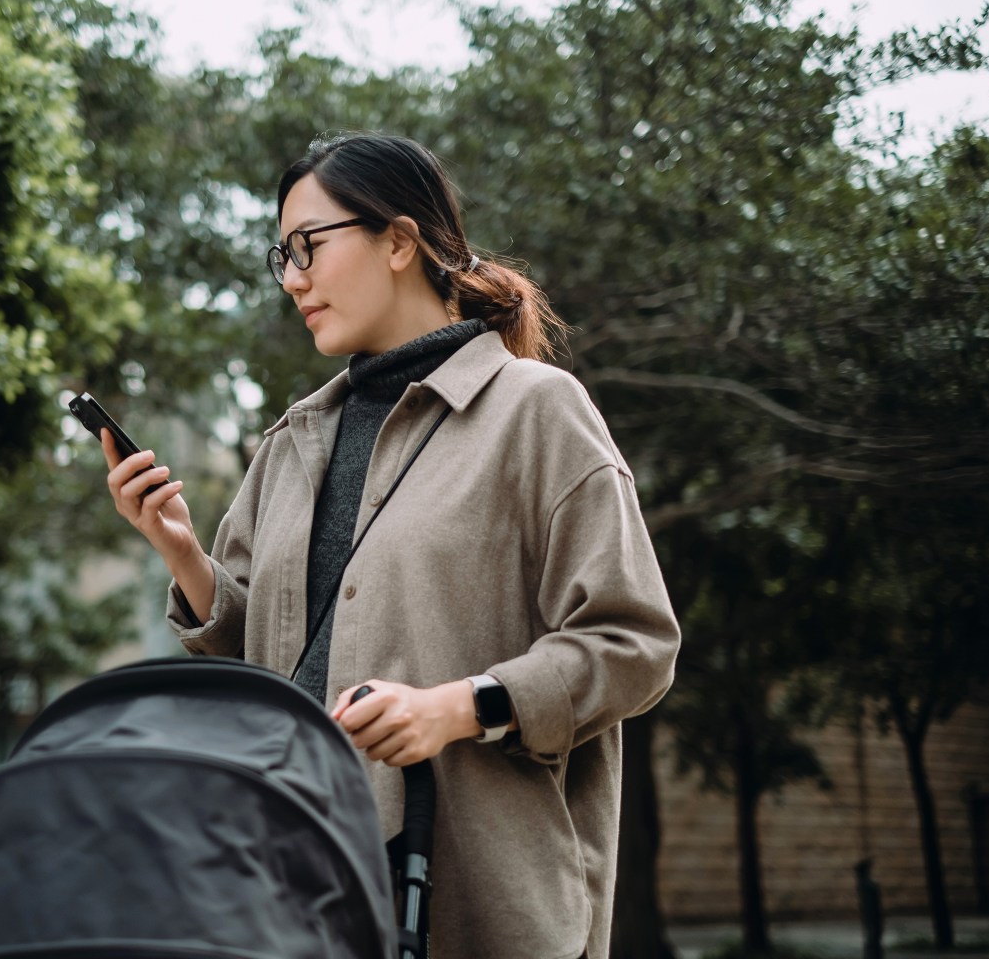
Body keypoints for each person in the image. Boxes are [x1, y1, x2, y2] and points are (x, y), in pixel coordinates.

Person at [102, 132, 681, 959]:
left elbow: (635, 644)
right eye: (281, 256)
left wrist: (456, 707)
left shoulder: (537, 411)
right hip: (291, 885)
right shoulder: (292, 440)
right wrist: (181, 553)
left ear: (400, 241)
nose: (292, 278)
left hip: (474, 896)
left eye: (309, 247)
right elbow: (254, 655)